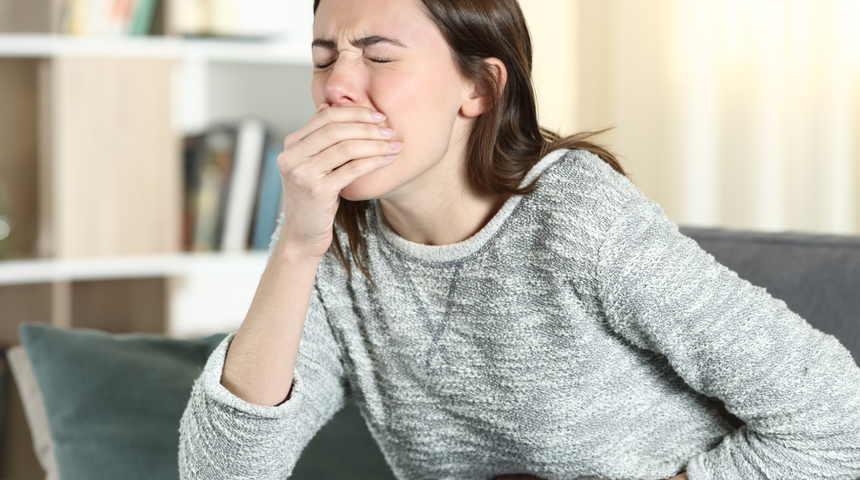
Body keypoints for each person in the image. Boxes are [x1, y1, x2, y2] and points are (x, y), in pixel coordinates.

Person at [178, 0, 860, 478]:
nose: (339, 89)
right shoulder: (329, 241)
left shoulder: (578, 219)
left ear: (479, 86)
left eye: (378, 56)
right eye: (324, 59)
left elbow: (838, 420)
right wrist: (296, 247)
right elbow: (223, 472)